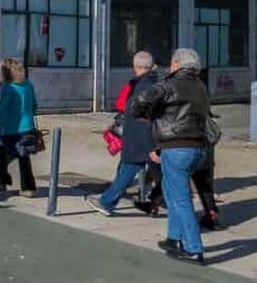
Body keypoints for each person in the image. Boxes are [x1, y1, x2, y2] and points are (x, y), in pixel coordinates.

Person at [131, 48, 210, 265]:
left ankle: (194, 248)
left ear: (177, 64)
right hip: (197, 147)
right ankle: (174, 238)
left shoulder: (168, 84)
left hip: (176, 147)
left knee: (181, 198)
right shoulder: (200, 86)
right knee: (170, 190)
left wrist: (146, 116)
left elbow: (139, 102)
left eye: (173, 62)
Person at [86, 51, 159, 215]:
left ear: (135, 67)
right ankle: (151, 202)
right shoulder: (153, 83)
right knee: (148, 172)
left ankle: (107, 202)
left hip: (140, 138)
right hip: (147, 137)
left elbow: (142, 119)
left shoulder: (142, 87)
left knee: (129, 169)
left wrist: (148, 146)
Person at [0, 58, 38, 197]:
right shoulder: (28, 84)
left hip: (11, 129)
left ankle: (0, 182)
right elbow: (34, 105)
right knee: (24, 158)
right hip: (27, 127)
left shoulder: (8, 87)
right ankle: (28, 188)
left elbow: (2, 108)